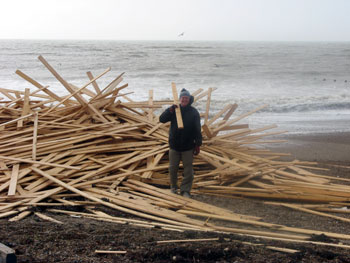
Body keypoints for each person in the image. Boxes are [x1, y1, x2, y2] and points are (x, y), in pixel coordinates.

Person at [159, 88, 202, 198]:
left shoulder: (193, 112)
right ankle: (173, 187)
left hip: (188, 146)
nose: (184, 99)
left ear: (189, 99)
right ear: (179, 99)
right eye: (182, 98)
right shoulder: (174, 110)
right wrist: (170, 110)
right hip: (174, 145)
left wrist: (198, 144)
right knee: (173, 168)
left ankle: (185, 190)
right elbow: (162, 119)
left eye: (186, 98)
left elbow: (198, 129)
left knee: (188, 170)